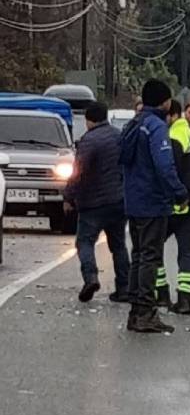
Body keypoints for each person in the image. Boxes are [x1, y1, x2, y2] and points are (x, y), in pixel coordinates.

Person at [120, 80, 188, 334]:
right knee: (150, 257)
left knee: (138, 255)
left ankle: (136, 311)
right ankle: (146, 313)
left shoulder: (134, 124)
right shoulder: (156, 127)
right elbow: (164, 166)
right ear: (165, 102)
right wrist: (179, 193)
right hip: (152, 202)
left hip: (134, 200)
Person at [62, 102, 130, 303]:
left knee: (84, 242)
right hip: (118, 200)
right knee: (118, 245)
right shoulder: (119, 136)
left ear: (88, 120)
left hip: (92, 204)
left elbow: (78, 172)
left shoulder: (88, 141)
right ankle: (124, 288)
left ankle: (91, 278)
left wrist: (68, 197)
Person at [155, 100, 190, 315]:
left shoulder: (174, 137)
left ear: (173, 115)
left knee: (152, 247)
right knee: (187, 252)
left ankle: (162, 295)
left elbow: (169, 171)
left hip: (177, 204)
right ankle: (185, 300)